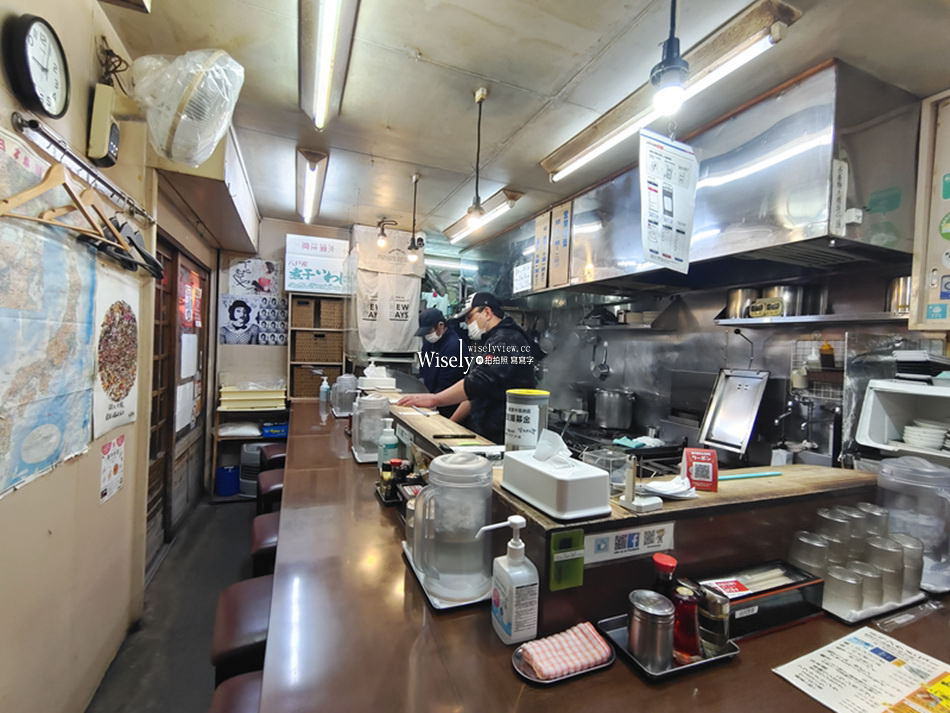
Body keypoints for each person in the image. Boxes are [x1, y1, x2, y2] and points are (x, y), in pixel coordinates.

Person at [398, 292, 543, 444]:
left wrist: (435, 399)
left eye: (469, 318)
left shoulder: (507, 339)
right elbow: (475, 390)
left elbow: (478, 381)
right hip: (485, 432)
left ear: (487, 312)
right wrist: (450, 424)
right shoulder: (492, 340)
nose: (467, 324)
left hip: (505, 436)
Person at [415, 308, 464, 418]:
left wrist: (434, 401)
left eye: (429, 332)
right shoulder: (429, 343)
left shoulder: (454, 346)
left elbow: (448, 382)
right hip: (430, 401)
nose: (427, 336)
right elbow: (423, 370)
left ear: (440, 325)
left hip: (448, 407)